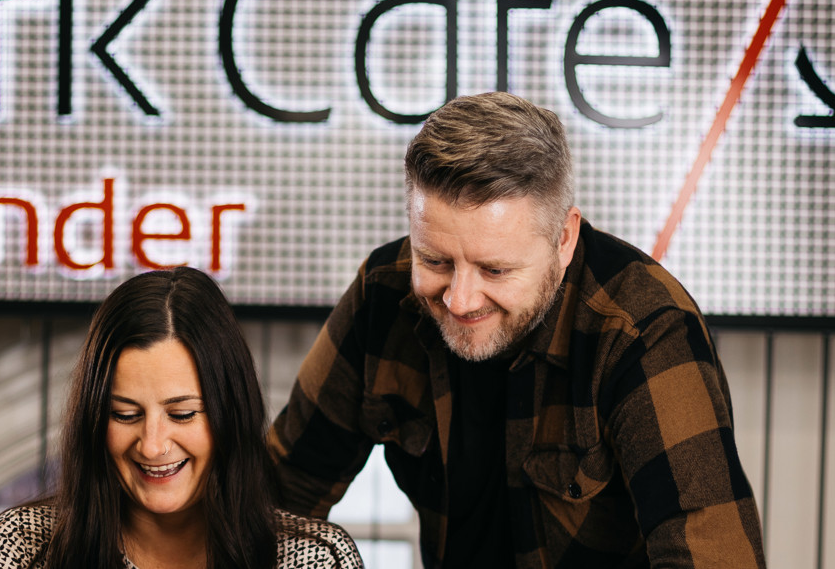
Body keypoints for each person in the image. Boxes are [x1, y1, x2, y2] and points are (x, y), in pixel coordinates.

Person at [268, 92, 764, 568]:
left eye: (495, 270)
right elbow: (274, 498)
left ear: (563, 239)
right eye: (435, 261)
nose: (460, 300)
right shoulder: (383, 292)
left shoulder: (644, 331)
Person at [0, 267, 362, 569]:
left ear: (230, 413)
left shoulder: (314, 559)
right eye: (124, 414)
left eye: (182, 414)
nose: (152, 445)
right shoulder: (21, 549)